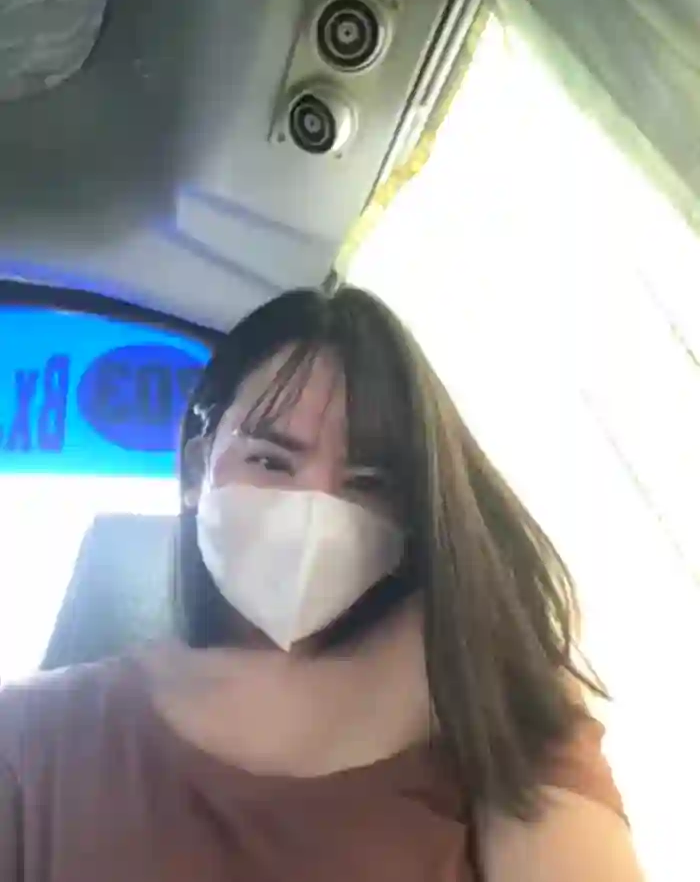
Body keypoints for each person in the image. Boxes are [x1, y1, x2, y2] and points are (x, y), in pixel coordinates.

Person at [0, 286, 645, 881]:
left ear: (414, 518)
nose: (314, 508)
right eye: (270, 461)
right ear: (197, 470)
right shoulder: (33, 738)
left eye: (366, 482)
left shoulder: (488, 698)